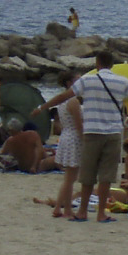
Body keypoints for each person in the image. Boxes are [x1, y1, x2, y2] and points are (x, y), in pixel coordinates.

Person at [40, 51, 128, 222]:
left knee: (88, 174)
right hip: (112, 132)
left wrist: (42, 108)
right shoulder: (122, 81)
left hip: (91, 131)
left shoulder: (87, 80)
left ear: (97, 63)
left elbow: (63, 96)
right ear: (112, 64)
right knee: (106, 175)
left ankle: (82, 211)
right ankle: (100, 214)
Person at [50, 71, 84, 219]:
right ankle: (67, 210)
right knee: (70, 178)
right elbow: (79, 125)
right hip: (73, 138)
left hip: (66, 136)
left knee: (69, 177)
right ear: (70, 83)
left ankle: (58, 207)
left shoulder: (63, 101)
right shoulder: (73, 101)